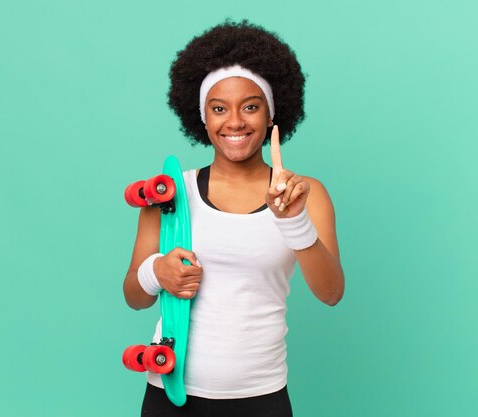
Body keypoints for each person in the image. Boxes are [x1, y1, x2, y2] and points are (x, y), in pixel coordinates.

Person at [123, 20, 345, 417]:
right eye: (219, 108)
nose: (235, 122)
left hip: (261, 397)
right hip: (171, 395)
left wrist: (295, 222)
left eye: (251, 106)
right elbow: (134, 297)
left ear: (271, 114)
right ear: (202, 117)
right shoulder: (169, 194)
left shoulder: (304, 194)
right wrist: (157, 272)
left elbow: (331, 293)